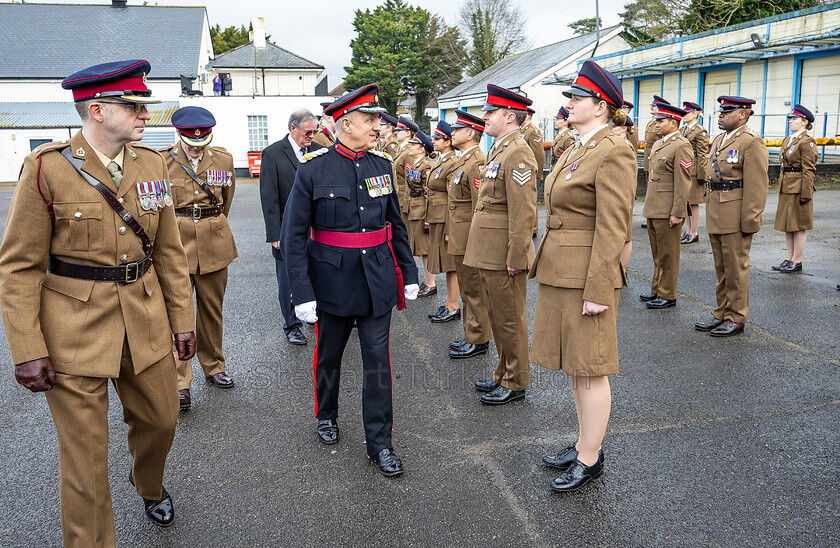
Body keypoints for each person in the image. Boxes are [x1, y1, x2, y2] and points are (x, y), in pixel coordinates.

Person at [0, 59, 196, 544]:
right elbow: (19, 266)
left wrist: (182, 320)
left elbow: (169, 252)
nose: (144, 114)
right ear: (98, 110)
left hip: (145, 318)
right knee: (85, 462)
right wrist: (27, 349)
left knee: (162, 419)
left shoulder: (152, 164)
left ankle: (147, 482)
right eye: (133, 106)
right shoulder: (47, 167)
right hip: (74, 328)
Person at [281, 84, 419, 477]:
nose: (378, 126)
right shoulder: (313, 168)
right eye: (370, 119)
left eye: (377, 119)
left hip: (376, 278)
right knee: (330, 355)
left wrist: (408, 271)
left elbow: (395, 223)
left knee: (378, 363)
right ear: (345, 123)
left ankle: (381, 443)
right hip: (332, 280)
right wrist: (301, 292)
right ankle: (326, 415)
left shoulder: (381, 164)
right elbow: (293, 236)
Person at [530, 60, 636, 493]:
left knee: (591, 370)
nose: (569, 104)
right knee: (576, 366)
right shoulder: (578, 145)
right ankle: (582, 443)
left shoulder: (615, 150)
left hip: (586, 275)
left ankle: (591, 458)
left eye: (576, 98)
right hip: (561, 268)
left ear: (601, 105)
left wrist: (600, 288)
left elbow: (613, 226)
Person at [464, 84, 537, 405]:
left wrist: (517, 255)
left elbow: (523, 212)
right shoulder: (500, 148)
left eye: (490, 112)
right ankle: (503, 373)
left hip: (504, 254)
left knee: (510, 319)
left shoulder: (518, 151)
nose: (484, 117)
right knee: (497, 316)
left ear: (509, 116)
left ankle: (517, 380)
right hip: (489, 250)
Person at [162, 106, 237, 410]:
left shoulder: (223, 159)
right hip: (176, 243)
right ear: (179, 135)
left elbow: (225, 203)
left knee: (211, 310)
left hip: (214, 242)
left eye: (202, 140)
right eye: (190, 140)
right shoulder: (161, 161)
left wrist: (211, 228)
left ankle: (214, 366)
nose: (196, 145)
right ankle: (181, 383)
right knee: (178, 314)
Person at [694, 96, 768, 337]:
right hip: (717, 210)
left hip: (736, 214)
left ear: (743, 115)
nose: (721, 114)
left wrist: (750, 220)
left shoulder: (751, 142)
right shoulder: (717, 140)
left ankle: (736, 317)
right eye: (721, 111)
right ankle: (721, 313)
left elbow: (757, 186)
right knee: (721, 267)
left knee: (736, 267)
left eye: (727, 111)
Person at [259, 109, 325, 346]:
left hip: (316, 229)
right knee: (288, 280)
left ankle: (311, 313)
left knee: (316, 274)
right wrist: (274, 233)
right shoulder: (273, 154)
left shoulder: (319, 152)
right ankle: (291, 325)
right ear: (293, 129)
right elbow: (269, 198)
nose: (312, 136)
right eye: (308, 132)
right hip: (286, 230)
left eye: (314, 131)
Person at [446, 110, 492, 359]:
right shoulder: (464, 159)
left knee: (474, 289)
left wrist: (476, 240)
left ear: (471, 133)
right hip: (459, 235)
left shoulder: (476, 162)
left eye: (457, 129)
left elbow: (478, 206)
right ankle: (471, 334)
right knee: (467, 289)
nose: (452, 133)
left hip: (469, 237)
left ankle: (479, 338)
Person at [638, 102, 692, 309]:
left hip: (668, 208)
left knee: (668, 253)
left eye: (661, 121)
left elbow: (683, 181)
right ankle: (657, 289)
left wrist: (678, 212)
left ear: (673, 122)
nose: (657, 124)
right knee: (657, 252)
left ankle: (668, 294)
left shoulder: (681, 145)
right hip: (655, 206)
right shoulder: (661, 143)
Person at [772, 104, 817, 273]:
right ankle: (789, 258)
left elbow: (809, 169)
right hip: (786, 186)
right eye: (790, 119)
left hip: (799, 188)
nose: (791, 121)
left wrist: (806, 193)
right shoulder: (788, 140)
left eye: (794, 119)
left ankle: (797, 260)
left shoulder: (807, 142)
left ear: (804, 122)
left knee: (798, 225)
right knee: (787, 224)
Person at [426, 121, 460, 322]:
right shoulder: (442, 160)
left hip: (445, 219)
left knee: (451, 264)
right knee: (446, 264)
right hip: (437, 218)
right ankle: (449, 303)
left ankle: (453, 305)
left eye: (437, 138)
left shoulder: (452, 162)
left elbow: (452, 198)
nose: (433, 141)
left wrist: (449, 227)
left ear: (447, 142)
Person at [406, 129, 438, 297]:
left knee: (424, 249)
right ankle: (426, 281)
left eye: (414, 145)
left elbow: (428, 193)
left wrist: (427, 218)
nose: (410, 147)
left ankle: (430, 283)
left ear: (422, 148)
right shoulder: (416, 164)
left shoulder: (425, 166)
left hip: (421, 211)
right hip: (414, 208)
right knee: (417, 247)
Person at [680, 101, 710, 244]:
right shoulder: (683, 130)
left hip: (695, 171)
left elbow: (703, 154)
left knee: (694, 202)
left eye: (686, 113)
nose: (683, 115)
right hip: (685, 169)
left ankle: (694, 232)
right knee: (686, 202)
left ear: (694, 115)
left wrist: (702, 175)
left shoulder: (700, 131)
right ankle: (688, 231)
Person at [642, 96, 669, 229]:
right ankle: (650, 215)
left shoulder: (663, 126)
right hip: (649, 159)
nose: (652, 107)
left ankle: (656, 216)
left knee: (657, 189)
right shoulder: (650, 123)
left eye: (655, 106)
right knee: (649, 188)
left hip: (658, 159)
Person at [521, 106, 545, 237]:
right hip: (522, 170)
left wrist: (538, 173)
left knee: (531, 200)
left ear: (526, 116)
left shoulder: (533, 131)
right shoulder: (521, 131)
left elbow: (539, 155)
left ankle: (534, 228)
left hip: (530, 171)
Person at [393, 116, 419, 230]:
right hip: (399, 198)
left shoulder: (409, 152)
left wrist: (406, 203)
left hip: (404, 199)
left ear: (408, 133)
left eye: (399, 130)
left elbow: (409, 179)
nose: (396, 132)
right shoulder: (402, 149)